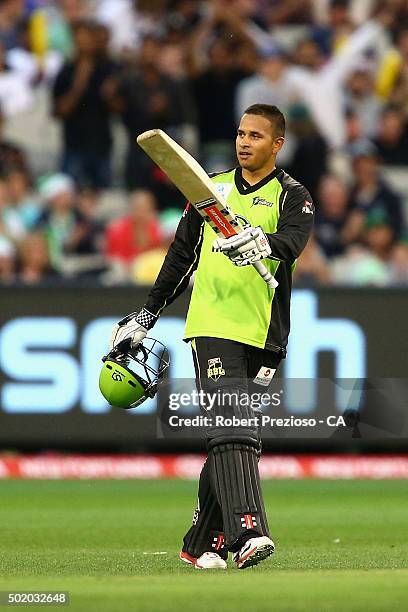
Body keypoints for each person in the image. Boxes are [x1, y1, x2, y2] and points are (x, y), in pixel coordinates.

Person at [109, 104, 314, 569]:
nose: (244, 142)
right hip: (213, 324)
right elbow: (181, 257)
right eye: (241, 133)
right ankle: (248, 532)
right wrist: (145, 315)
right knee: (232, 426)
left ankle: (201, 541)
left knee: (237, 437)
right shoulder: (211, 191)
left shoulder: (294, 196)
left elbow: (293, 242)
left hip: (265, 332)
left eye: (256, 136)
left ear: (276, 144)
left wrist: (263, 242)